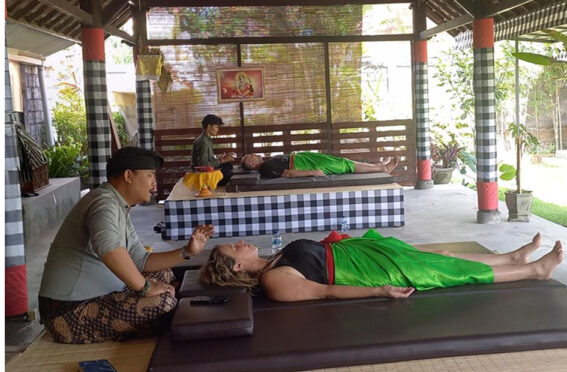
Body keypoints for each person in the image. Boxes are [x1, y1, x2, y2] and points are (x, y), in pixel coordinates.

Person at [38, 146, 215, 344]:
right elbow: (109, 250)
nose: (154, 183)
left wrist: (187, 251)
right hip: (67, 311)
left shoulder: (119, 205)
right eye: (149, 176)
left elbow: (140, 259)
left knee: (164, 275)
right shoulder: (103, 204)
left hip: (97, 296)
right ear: (129, 176)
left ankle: (151, 324)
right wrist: (145, 288)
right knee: (163, 302)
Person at [199, 229, 563, 302]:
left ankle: (512, 258)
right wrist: (379, 290)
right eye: (236, 247)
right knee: (449, 272)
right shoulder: (274, 280)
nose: (242, 242)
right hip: (368, 272)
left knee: (443, 256)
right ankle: (534, 270)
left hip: (362, 252)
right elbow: (325, 290)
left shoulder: (274, 257)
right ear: (235, 268)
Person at [241, 151, 399, 179]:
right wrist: (313, 172)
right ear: (251, 164)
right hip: (304, 164)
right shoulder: (265, 168)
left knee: (342, 162)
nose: (253, 154)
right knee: (343, 166)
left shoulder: (266, 163)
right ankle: (383, 168)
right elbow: (289, 173)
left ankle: (378, 165)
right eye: (250, 157)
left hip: (304, 159)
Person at [191, 114, 237, 184]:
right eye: (216, 127)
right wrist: (222, 160)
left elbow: (208, 160)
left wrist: (222, 159)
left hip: (207, 171)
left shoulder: (206, 139)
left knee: (227, 165)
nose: (218, 129)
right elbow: (204, 165)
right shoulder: (203, 142)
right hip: (203, 175)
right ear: (209, 127)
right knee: (229, 174)